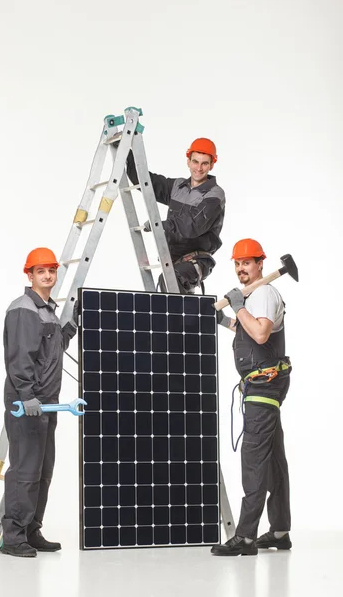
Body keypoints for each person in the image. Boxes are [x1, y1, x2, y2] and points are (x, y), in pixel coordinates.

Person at [212, 238, 292, 556]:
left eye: (247, 262)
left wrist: (237, 305)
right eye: (237, 263)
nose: (241, 268)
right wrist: (223, 318)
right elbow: (245, 328)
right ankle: (280, 531)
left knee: (254, 459)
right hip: (261, 386)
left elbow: (260, 332)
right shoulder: (255, 296)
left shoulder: (265, 293)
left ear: (261, 263)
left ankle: (245, 537)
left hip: (263, 386)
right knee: (272, 459)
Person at [0, 247, 77, 558]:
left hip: (47, 403)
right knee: (25, 471)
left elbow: (52, 349)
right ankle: (13, 536)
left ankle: (32, 530)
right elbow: (20, 357)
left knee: (44, 471)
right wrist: (27, 394)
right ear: (29, 275)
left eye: (52, 270)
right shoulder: (24, 308)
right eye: (41, 270)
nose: (48, 275)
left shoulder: (47, 310)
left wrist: (71, 325)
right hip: (27, 402)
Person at [126, 137, 225, 294]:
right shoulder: (177, 187)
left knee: (170, 282)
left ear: (212, 164)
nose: (199, 168)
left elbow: (192, 226)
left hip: (197, 260)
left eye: (205, 163)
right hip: (172, 262)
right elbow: (145, 182)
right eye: (195, 162)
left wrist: (159, 225)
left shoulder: (215, 194)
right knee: (169, 299)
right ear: (188, 161)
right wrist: (126, 151)